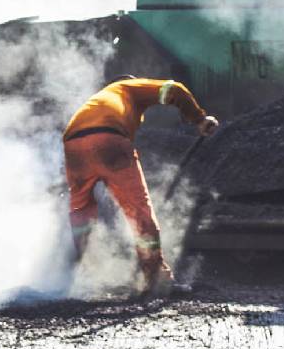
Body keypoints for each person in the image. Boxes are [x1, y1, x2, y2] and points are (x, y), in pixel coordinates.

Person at [63, 77, 218, 296]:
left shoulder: (99, 102)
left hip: (73, 144)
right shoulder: (129, 89)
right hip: (109, 141)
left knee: (81, 211)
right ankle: (157, 279)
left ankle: (77, 274)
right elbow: (174, 89)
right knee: (139, 211)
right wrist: (200, 119)